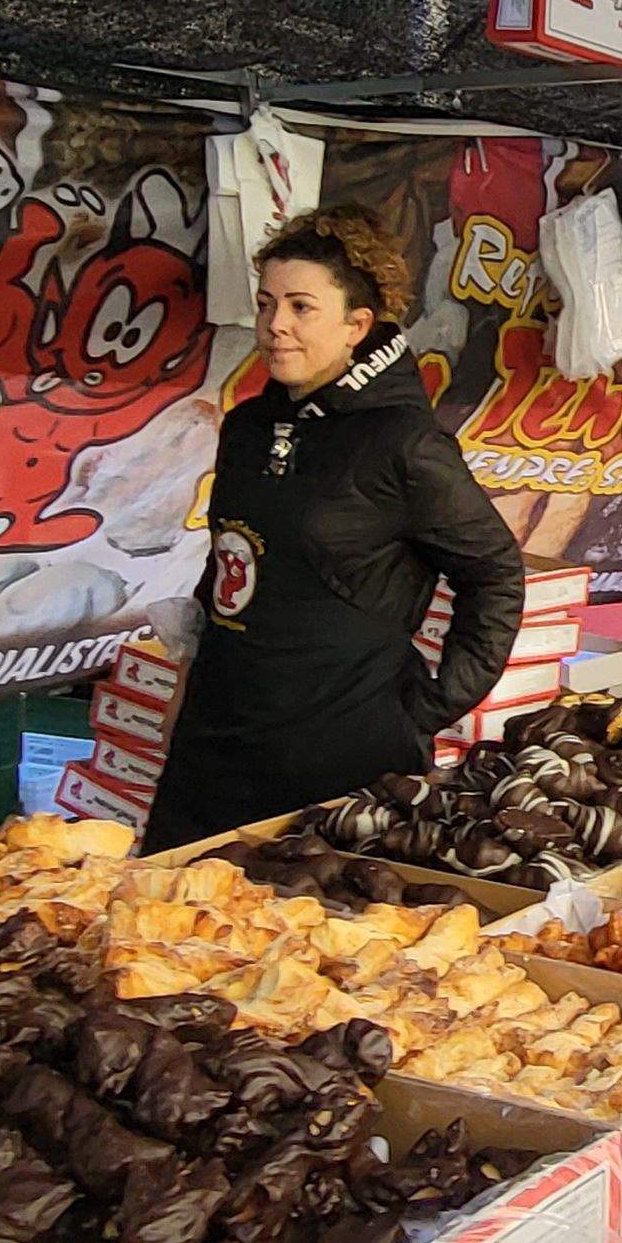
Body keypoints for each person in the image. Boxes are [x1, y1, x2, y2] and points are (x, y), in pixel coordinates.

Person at [145, 205, 526, 849]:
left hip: (339, 756)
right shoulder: (246, 429)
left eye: (301, 308)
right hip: (215, 746)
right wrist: (188, 682)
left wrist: (428, 706)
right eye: (267, 305)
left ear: (357, 325)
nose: (275, 327)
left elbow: (495, 576)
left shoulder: (403, 443)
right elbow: (231, 563)